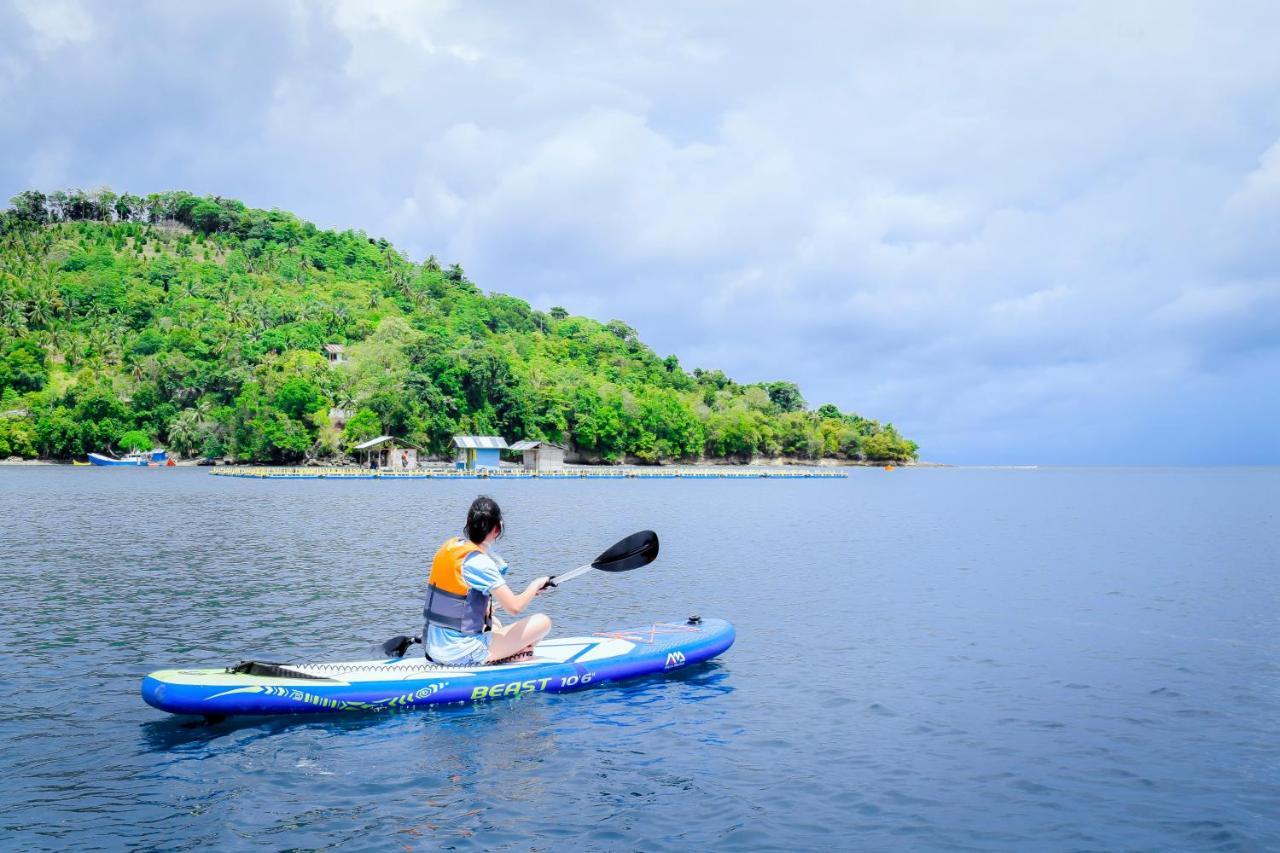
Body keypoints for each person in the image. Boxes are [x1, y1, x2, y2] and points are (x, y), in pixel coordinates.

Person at [423, 496, 551, 665]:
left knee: (494, 621)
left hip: (432, 647)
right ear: (497, 529)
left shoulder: (450, 547)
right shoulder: (480, 562)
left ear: (467, 522)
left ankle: (512, 652)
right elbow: (514, 607)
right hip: (461, 653)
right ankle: (512, 655)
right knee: (543, 622)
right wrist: (536, 584)